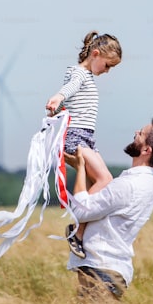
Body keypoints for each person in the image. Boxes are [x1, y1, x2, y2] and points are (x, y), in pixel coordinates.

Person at [66, 116, 153, 304]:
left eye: (141, 134)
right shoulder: (146, 183)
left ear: (146, 150)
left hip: (101, 271)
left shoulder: (128, 185)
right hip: (108, 270)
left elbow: (81, 212)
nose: (136, 133)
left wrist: (81, 168)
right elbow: (95, 201)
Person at [45, 31, 122, 259]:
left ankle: (84, 235)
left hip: (86, 137)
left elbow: (71, 100)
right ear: (96, 54)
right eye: (107, 65)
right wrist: (58, 96)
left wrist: (59, 107)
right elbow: (69, 88)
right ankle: (76, 230)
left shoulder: (85, 76)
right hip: (76, 137)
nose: (107, 71)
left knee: (95, 189)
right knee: (105, 179)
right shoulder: (79, 73)